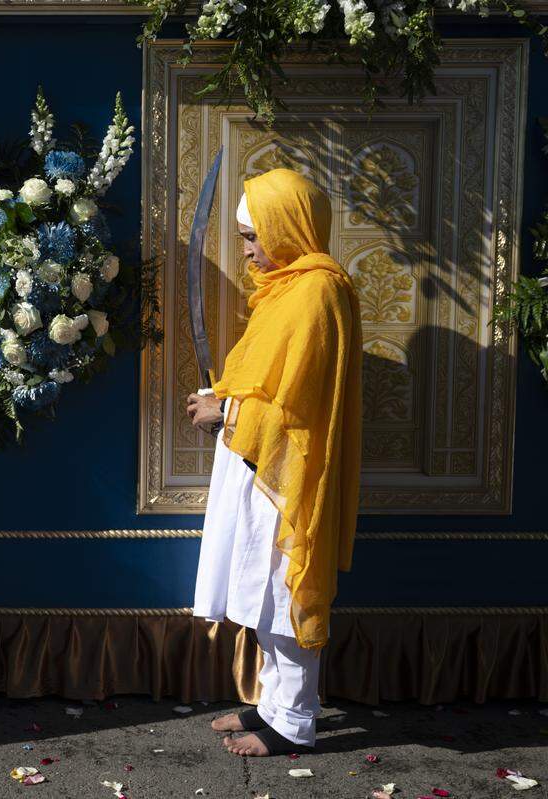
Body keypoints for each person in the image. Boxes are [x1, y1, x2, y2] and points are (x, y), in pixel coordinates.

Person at [186, 168, 362, 757]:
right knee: (263, 591)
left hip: (289, 471)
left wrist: (224, 415)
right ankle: (271, 705)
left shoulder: (317, 291)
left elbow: (297, 400)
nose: (246, 251)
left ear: (287, 227)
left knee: (286, 591)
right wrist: (225, 402)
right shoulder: (288, 287)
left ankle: (292, 722)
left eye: (253, 235)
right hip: (260, 465)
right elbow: (267, 381)